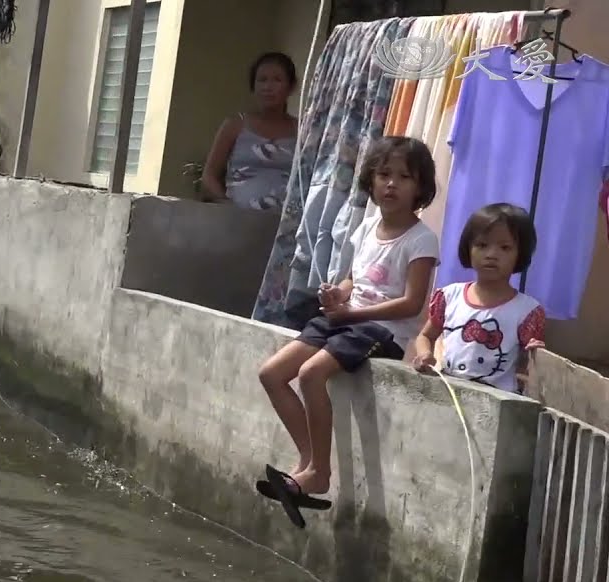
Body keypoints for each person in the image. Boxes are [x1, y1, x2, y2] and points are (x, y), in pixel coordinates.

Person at [255, 136, 440, 528]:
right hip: (348, 320)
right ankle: (310, 463)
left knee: (310, 374)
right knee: (271, 374)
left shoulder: (422, 240)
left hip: (380, 331)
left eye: (404, 177)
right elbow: (354, 279)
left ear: (420, 189)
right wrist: (336, 295)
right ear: (370, 181)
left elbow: (411, 304)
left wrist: (350, 315)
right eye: (384, 174)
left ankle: (318, 472)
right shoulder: (368, 227)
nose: (391, 184)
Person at [411, 203, 546, 394]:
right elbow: (425, 335)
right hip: (448, 393)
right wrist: (424, 354)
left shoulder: (527, 311)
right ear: (468, 248)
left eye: (505, 247)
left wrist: (535, 355)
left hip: (498, 405)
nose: (491, 255)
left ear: (520, 254)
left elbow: (528, 367)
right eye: (482, 245)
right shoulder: (449, 297)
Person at [199, 52, 298, 211]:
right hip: (237, 223)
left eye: (277, 80)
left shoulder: (302, 131)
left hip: (283, 228)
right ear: (254, 86)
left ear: (291, 87)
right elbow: (209, 176)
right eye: (262, 80)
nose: (268, 87)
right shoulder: (235, 125)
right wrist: (226, 206)